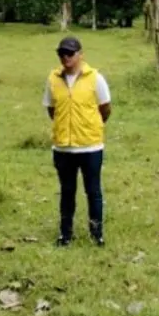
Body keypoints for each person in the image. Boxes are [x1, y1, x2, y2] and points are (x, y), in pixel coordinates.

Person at [43, 36, 111, 246]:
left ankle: (96, 234)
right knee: (67, 191)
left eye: (70, 54)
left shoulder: (95, 78)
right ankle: (65, 234)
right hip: (63, 147)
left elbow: (105, 108)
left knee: (93, 191)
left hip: (90, 146)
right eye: (61, 54)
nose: (66, 58)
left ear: (81, 55)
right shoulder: (53, 79)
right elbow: (51, 108)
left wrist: (88, 126)